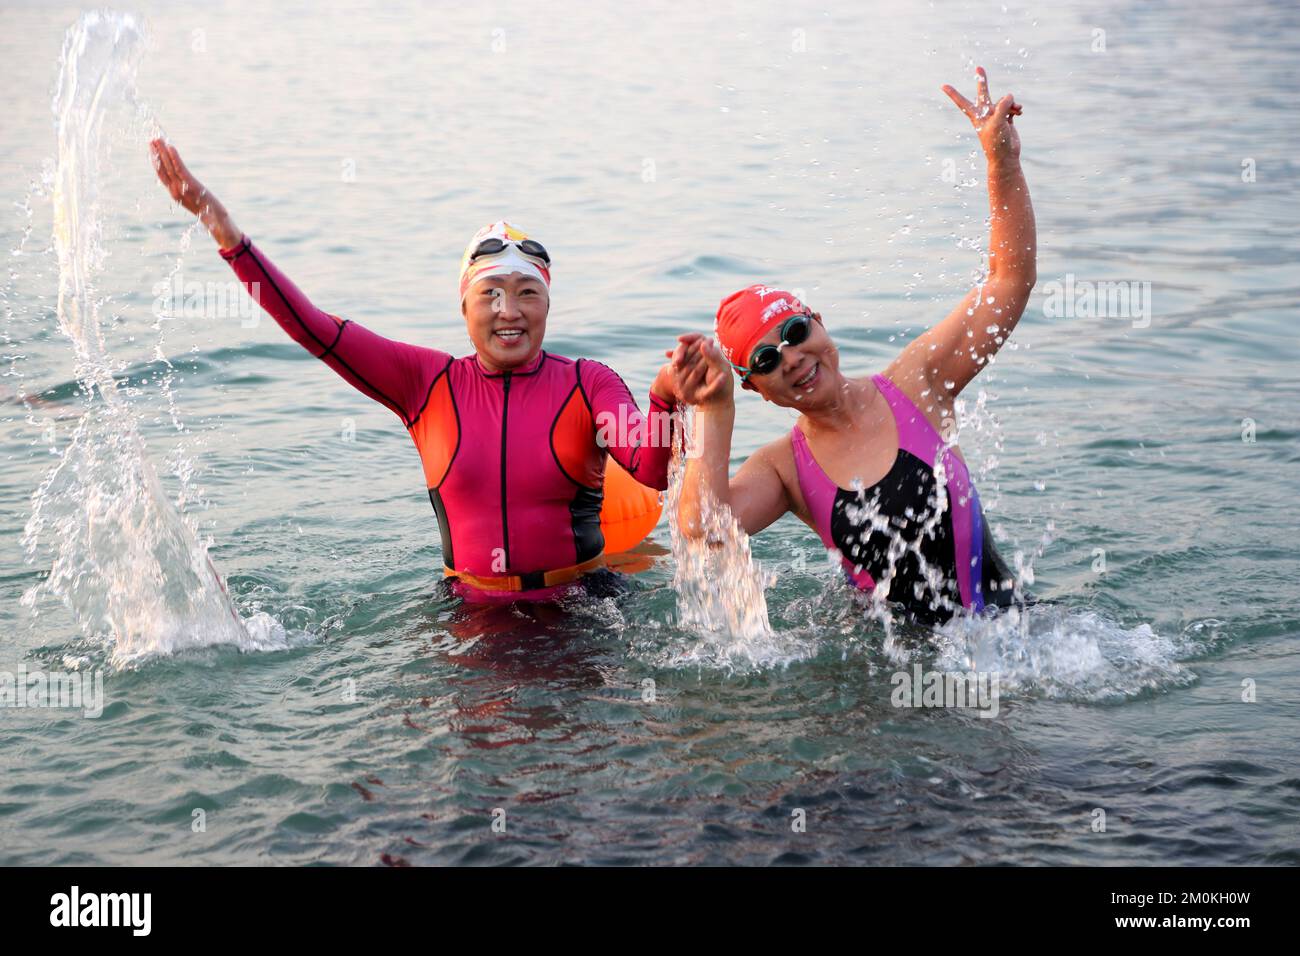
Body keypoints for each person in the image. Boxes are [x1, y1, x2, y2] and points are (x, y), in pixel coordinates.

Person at [149, 139, 679, 602]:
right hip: (469, 614)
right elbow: (311, 327)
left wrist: (665, 395)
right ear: (464, 307)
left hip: (581, 611)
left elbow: (651, 469)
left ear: (547, 303)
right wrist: (223, 229)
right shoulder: (426, 384)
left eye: (526, 293)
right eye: (489, 294)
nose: (508, 311)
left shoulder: (589, 383)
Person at [671, 68, 1036, 626]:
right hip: (891, 678)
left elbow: (1008, 282)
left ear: (818, 323)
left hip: (1011, 638)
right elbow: (703, 531)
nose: (791, 357)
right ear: (759, 390)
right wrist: (714, 410)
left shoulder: (919, 383)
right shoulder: (784, 468)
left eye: (795, 333)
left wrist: (1001, 164)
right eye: (766, 360)